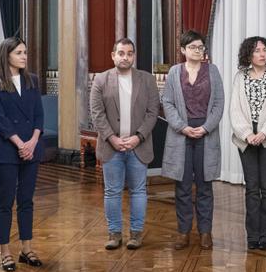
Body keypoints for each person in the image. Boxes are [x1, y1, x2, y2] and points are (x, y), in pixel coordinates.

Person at [90, 38, 161, 251]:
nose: (125, 57)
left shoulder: (146, 80)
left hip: (138, 146)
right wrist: (112, 138)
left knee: (138, 191)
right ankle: (114, 234)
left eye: (129, 53)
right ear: (113, 55)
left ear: (134, 56)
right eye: (121, 53)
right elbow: (97, 113)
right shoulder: (101, 80)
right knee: (112, 192)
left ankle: (136, 235)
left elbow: (152, 112)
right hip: (111, 147)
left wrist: (138, 136)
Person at [160, 30, 225, 251]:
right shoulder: (174, 72)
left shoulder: (213, 71)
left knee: (205, 185)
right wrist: (182, 127)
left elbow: (218, 104)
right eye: (193, 47)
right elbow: (167, 103)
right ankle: (183, 232)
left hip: (206, 135)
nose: (198, 51)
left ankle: (205, 232)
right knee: (183, 185)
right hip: (181, 135)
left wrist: (205, 128)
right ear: (183, 50)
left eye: (200, 47)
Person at [0, 37, 46, 272]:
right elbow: (0, 119)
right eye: (19, 52)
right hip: (6, 151)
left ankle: (26, 248)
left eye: (25, 52)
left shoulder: (32, 80)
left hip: (31, 149)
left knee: (26, 200)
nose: (24, 56)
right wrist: (20, 143)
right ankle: (5, 252)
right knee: (5, 200)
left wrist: (32, 142)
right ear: (7, 55)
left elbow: (39, 116)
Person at [227, 36, 266, 251]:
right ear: (248, 55)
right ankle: (253, 235)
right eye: (257, 51)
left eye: (264, 50)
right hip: (246, 140)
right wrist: (247, 134)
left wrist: (264, 133)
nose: (262, 54)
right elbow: (234, 110)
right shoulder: (240, 77)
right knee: (252, 189)